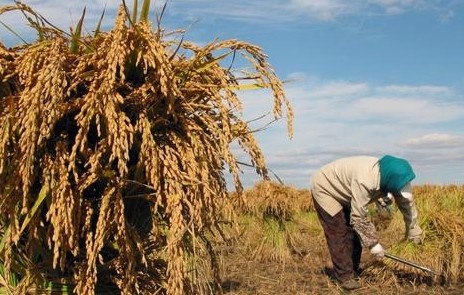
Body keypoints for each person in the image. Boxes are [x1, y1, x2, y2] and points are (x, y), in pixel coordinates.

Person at [310, 155, 423, 290]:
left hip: (347, 191)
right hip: (326, 188)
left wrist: (413, 230)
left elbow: (407, 203)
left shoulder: (396, 178)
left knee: (355, 233)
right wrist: (373, 244)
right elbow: (358, 217)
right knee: (339, 231)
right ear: (389, 180)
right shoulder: (366, 180)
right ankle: (345, 277)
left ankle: (353, 268)